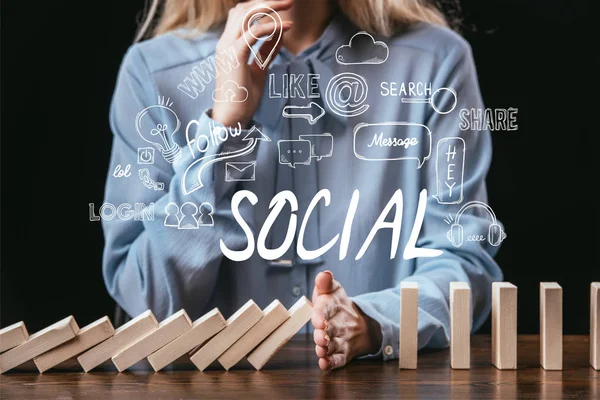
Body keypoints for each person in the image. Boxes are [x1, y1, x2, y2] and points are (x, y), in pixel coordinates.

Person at [103, 0, 503, 371]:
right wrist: (223, 132)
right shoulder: (152, 74)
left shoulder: (436, 61)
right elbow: (146, 307)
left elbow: (463, 264)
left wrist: (376, 321)